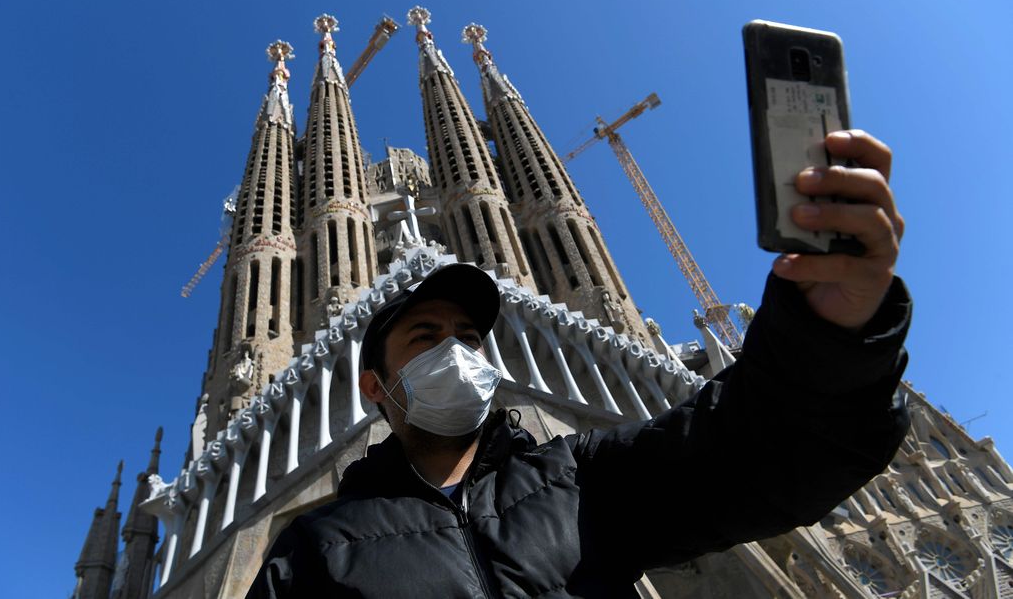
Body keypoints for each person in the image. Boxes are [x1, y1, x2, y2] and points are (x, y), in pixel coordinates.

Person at [247, 130, 911, 598]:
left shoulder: (579, 479)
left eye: (469, 336)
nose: (455, 350)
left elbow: (754, 451)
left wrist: (834, 330)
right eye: (425, 336)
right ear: (374, 387)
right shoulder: (315, 551)